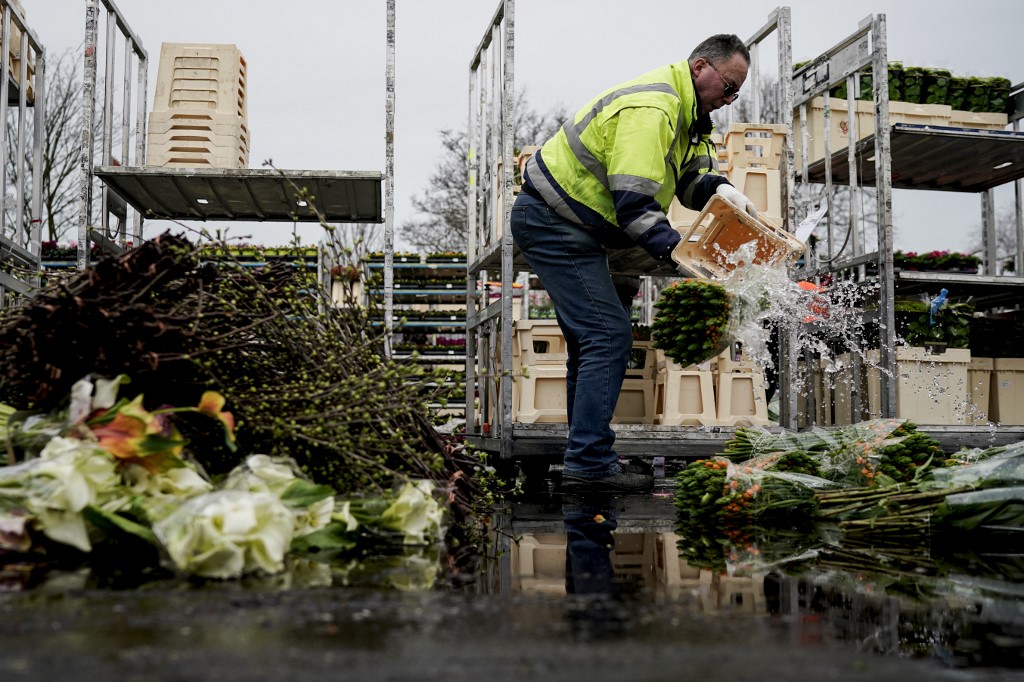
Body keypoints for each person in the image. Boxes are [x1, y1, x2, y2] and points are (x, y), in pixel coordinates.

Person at [511, 34, 757, 493]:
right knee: (607, 333)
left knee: (592, 341)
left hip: (585, 228)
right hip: (553, 220)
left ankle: (586, 455)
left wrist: (722, 190)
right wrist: (682, 259)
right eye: (727, 86)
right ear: (701, 67)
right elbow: (635, 207)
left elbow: (690, 182)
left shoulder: (691, 118)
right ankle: (590, 464)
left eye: (735, 92)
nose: (729, 99)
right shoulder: (654, 110)